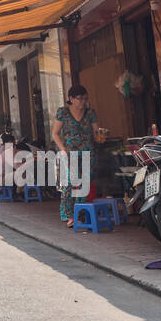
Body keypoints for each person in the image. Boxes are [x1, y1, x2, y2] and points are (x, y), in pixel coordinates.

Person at [52, 84, 98, 229]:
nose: (83, 102)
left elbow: (97, 132)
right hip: (69, 153)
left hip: (87, 152)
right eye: (80, 99)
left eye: (85, 98)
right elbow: (55, 133)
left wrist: (100, 135)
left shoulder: (90, 113)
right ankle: (68, 215)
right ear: (71, 98)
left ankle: (80, 214)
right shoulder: (63, 112)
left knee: (84, 184)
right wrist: (63, 149)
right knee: (70, 184)